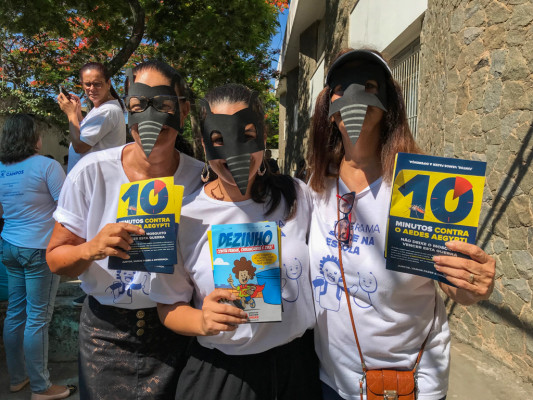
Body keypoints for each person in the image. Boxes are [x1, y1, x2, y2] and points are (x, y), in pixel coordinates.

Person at [307, 49, 496, 400]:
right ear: (327, 109)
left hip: (410, 384)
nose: (354, 98)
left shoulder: (420, 186)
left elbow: (453, 283)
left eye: (368, 85)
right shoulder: (316, 187)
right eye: (341, 89)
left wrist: (470, 284)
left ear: (387, 103)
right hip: (334, 382)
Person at [150, 83, 320, 400]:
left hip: (297, 369)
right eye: (219, 140)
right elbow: (167, 306)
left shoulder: (297, 196)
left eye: (246, 135)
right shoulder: (185, 216)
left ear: (263, 135)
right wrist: (202, 320)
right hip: (223, 375)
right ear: (204, 144)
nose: (235, 151)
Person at [46, 61, 204, 399]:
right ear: (127, 111)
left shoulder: (202, 180)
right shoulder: (91, 172)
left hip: (180, 332)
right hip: (105, 336)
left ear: (183, 110)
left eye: (163, 105)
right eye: (138, 105)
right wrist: (92, 248)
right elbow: (56, 260)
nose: (151, 118)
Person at [0, 114, 74, 399]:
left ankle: (18, 378)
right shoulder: (47, 166)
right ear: (32, 138)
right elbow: (67, 208)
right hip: (40, 249)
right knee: (38, 318)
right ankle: (42, 387)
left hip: (9, 246)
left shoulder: (2, 168)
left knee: (15, 313)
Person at [58, 62, 127, 173]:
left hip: (95, 180)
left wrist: (71, 115)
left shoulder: (107, 111)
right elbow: (86, 134)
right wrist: (78, 114)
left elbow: (79, 146)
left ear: (108, 83)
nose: (92, 88)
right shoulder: (100, 109)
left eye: (97, 84)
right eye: (87, 84)